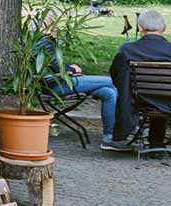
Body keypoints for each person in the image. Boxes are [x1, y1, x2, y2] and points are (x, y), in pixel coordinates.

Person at [34, 13, 119, 150]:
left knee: (108, 92)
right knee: (112, 81)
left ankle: (109, 137)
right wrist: (71, 69)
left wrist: (69, 68)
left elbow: (51, 63)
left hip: (55, 82)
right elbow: (55, 65)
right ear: (50, 23)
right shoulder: (44, 40)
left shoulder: (37, 40)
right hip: (56, 85)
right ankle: (124, 129)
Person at [109, 10, 171, 151]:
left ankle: (154, 144)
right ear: (164, 28)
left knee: (153, 97)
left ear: (140, 28)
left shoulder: (127, 50)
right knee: (162, 97)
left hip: (138, 100)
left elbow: (115, 76)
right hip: (168, 101)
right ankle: (156, 143)